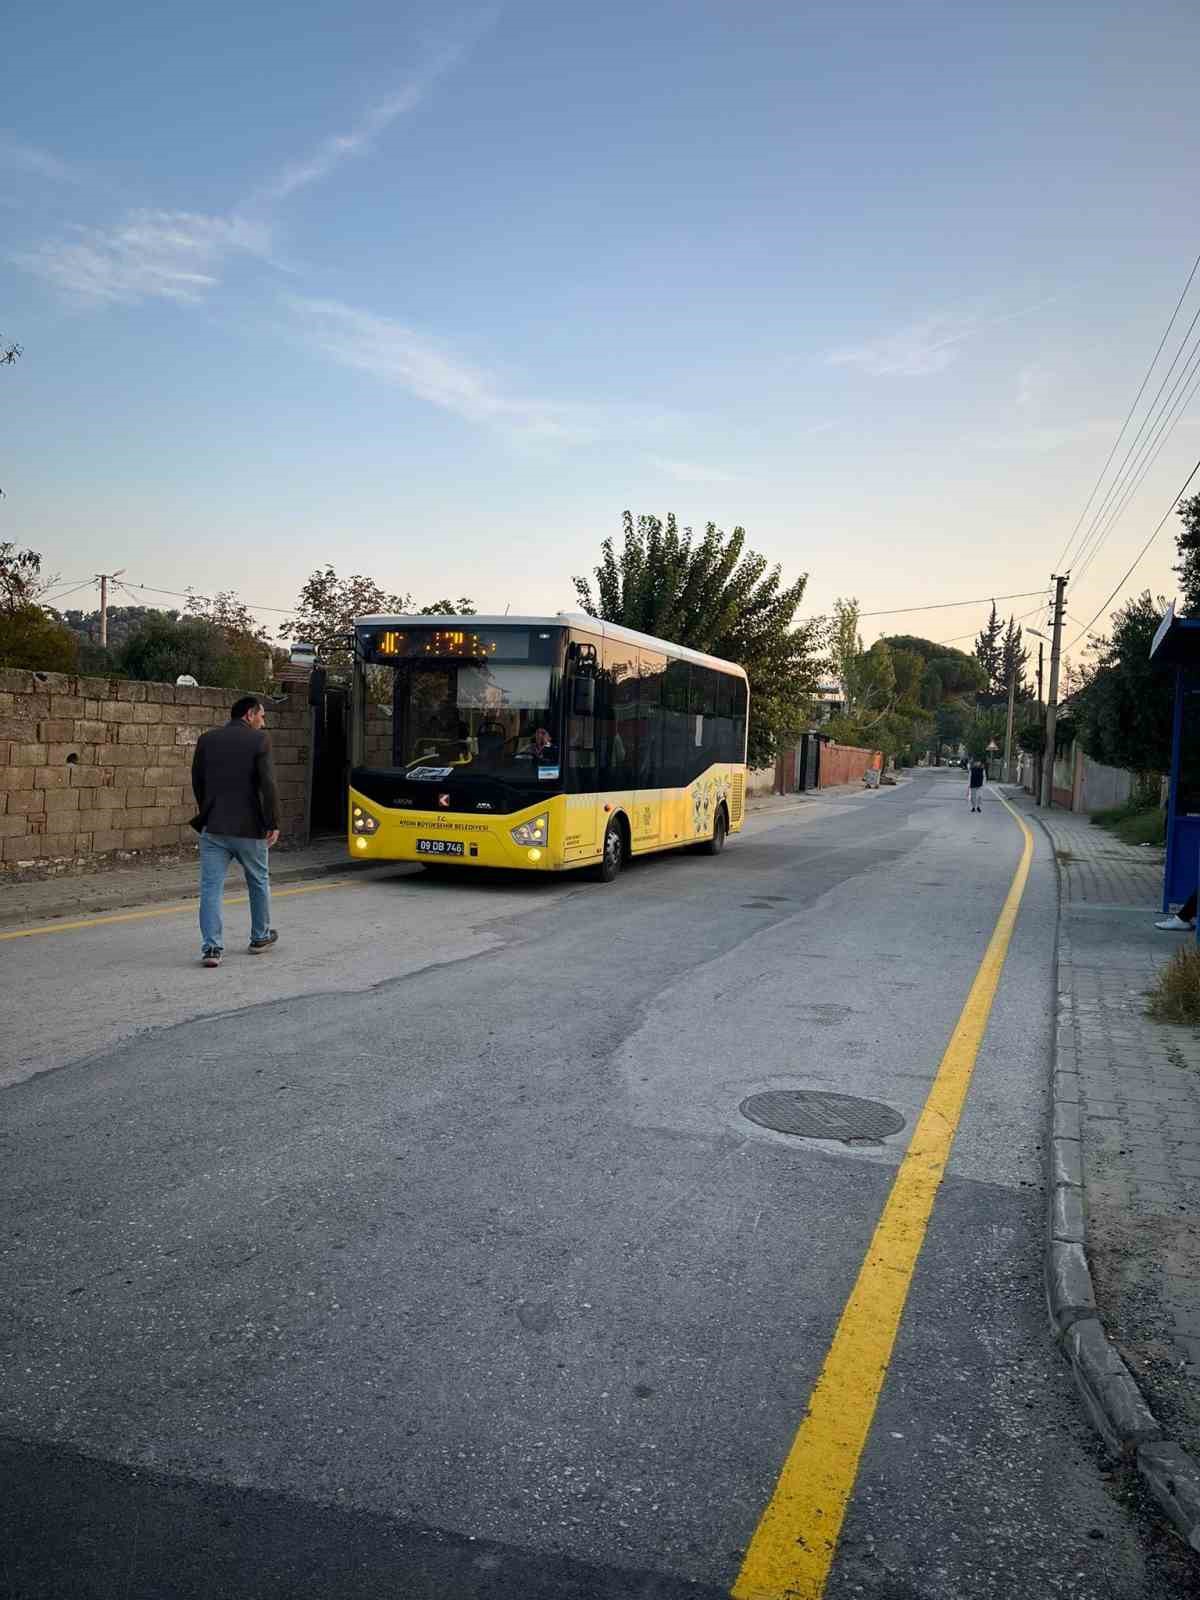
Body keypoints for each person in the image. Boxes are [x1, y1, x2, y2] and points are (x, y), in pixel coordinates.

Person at [190, 694, 281, 968]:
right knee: (258, 880)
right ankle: (260, 937)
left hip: (214, 827)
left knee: (210, 888)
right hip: (249, 829)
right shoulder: (259, 741)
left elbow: (198, 781)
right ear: (249, 714)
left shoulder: (207, 739)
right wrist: (272, 822)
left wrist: (208, 810)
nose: (263, 723)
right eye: (262, 716)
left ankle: (212, 949)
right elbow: (268, 786)